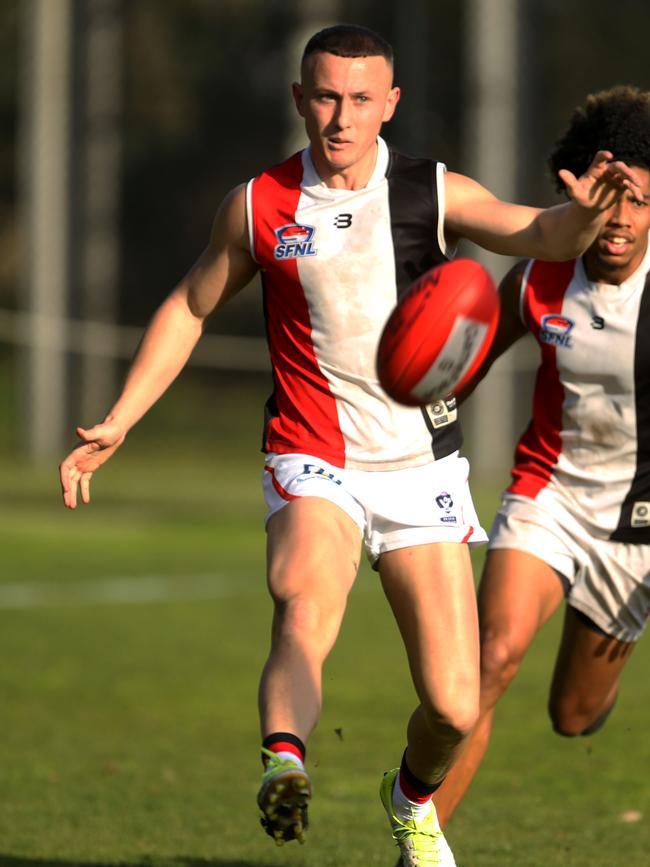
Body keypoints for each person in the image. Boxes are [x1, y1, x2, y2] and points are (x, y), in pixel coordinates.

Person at [58, 26, 643, 867]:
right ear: (300, 99)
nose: (340, 117)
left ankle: (408, 799)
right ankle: (285, 760)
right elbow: (190, 306)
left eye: (360, 99)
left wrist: (581, 218)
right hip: (311, 452)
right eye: (325, 96)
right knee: (304, 597)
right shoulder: (259, 204)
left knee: (454, 702)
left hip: (419, 467)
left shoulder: (428, 190)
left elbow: (538, 234)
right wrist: (120, 416)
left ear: (389, 104)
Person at [432, 84, 650, 832]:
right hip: (546, 493)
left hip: (638, 526)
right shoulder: (540, 276)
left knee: (571, 712)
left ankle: (595, 686)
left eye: (640, 202)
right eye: (609, 197)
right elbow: (461, 366)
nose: (619, 220)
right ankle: (418, 843)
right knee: (490, 660)